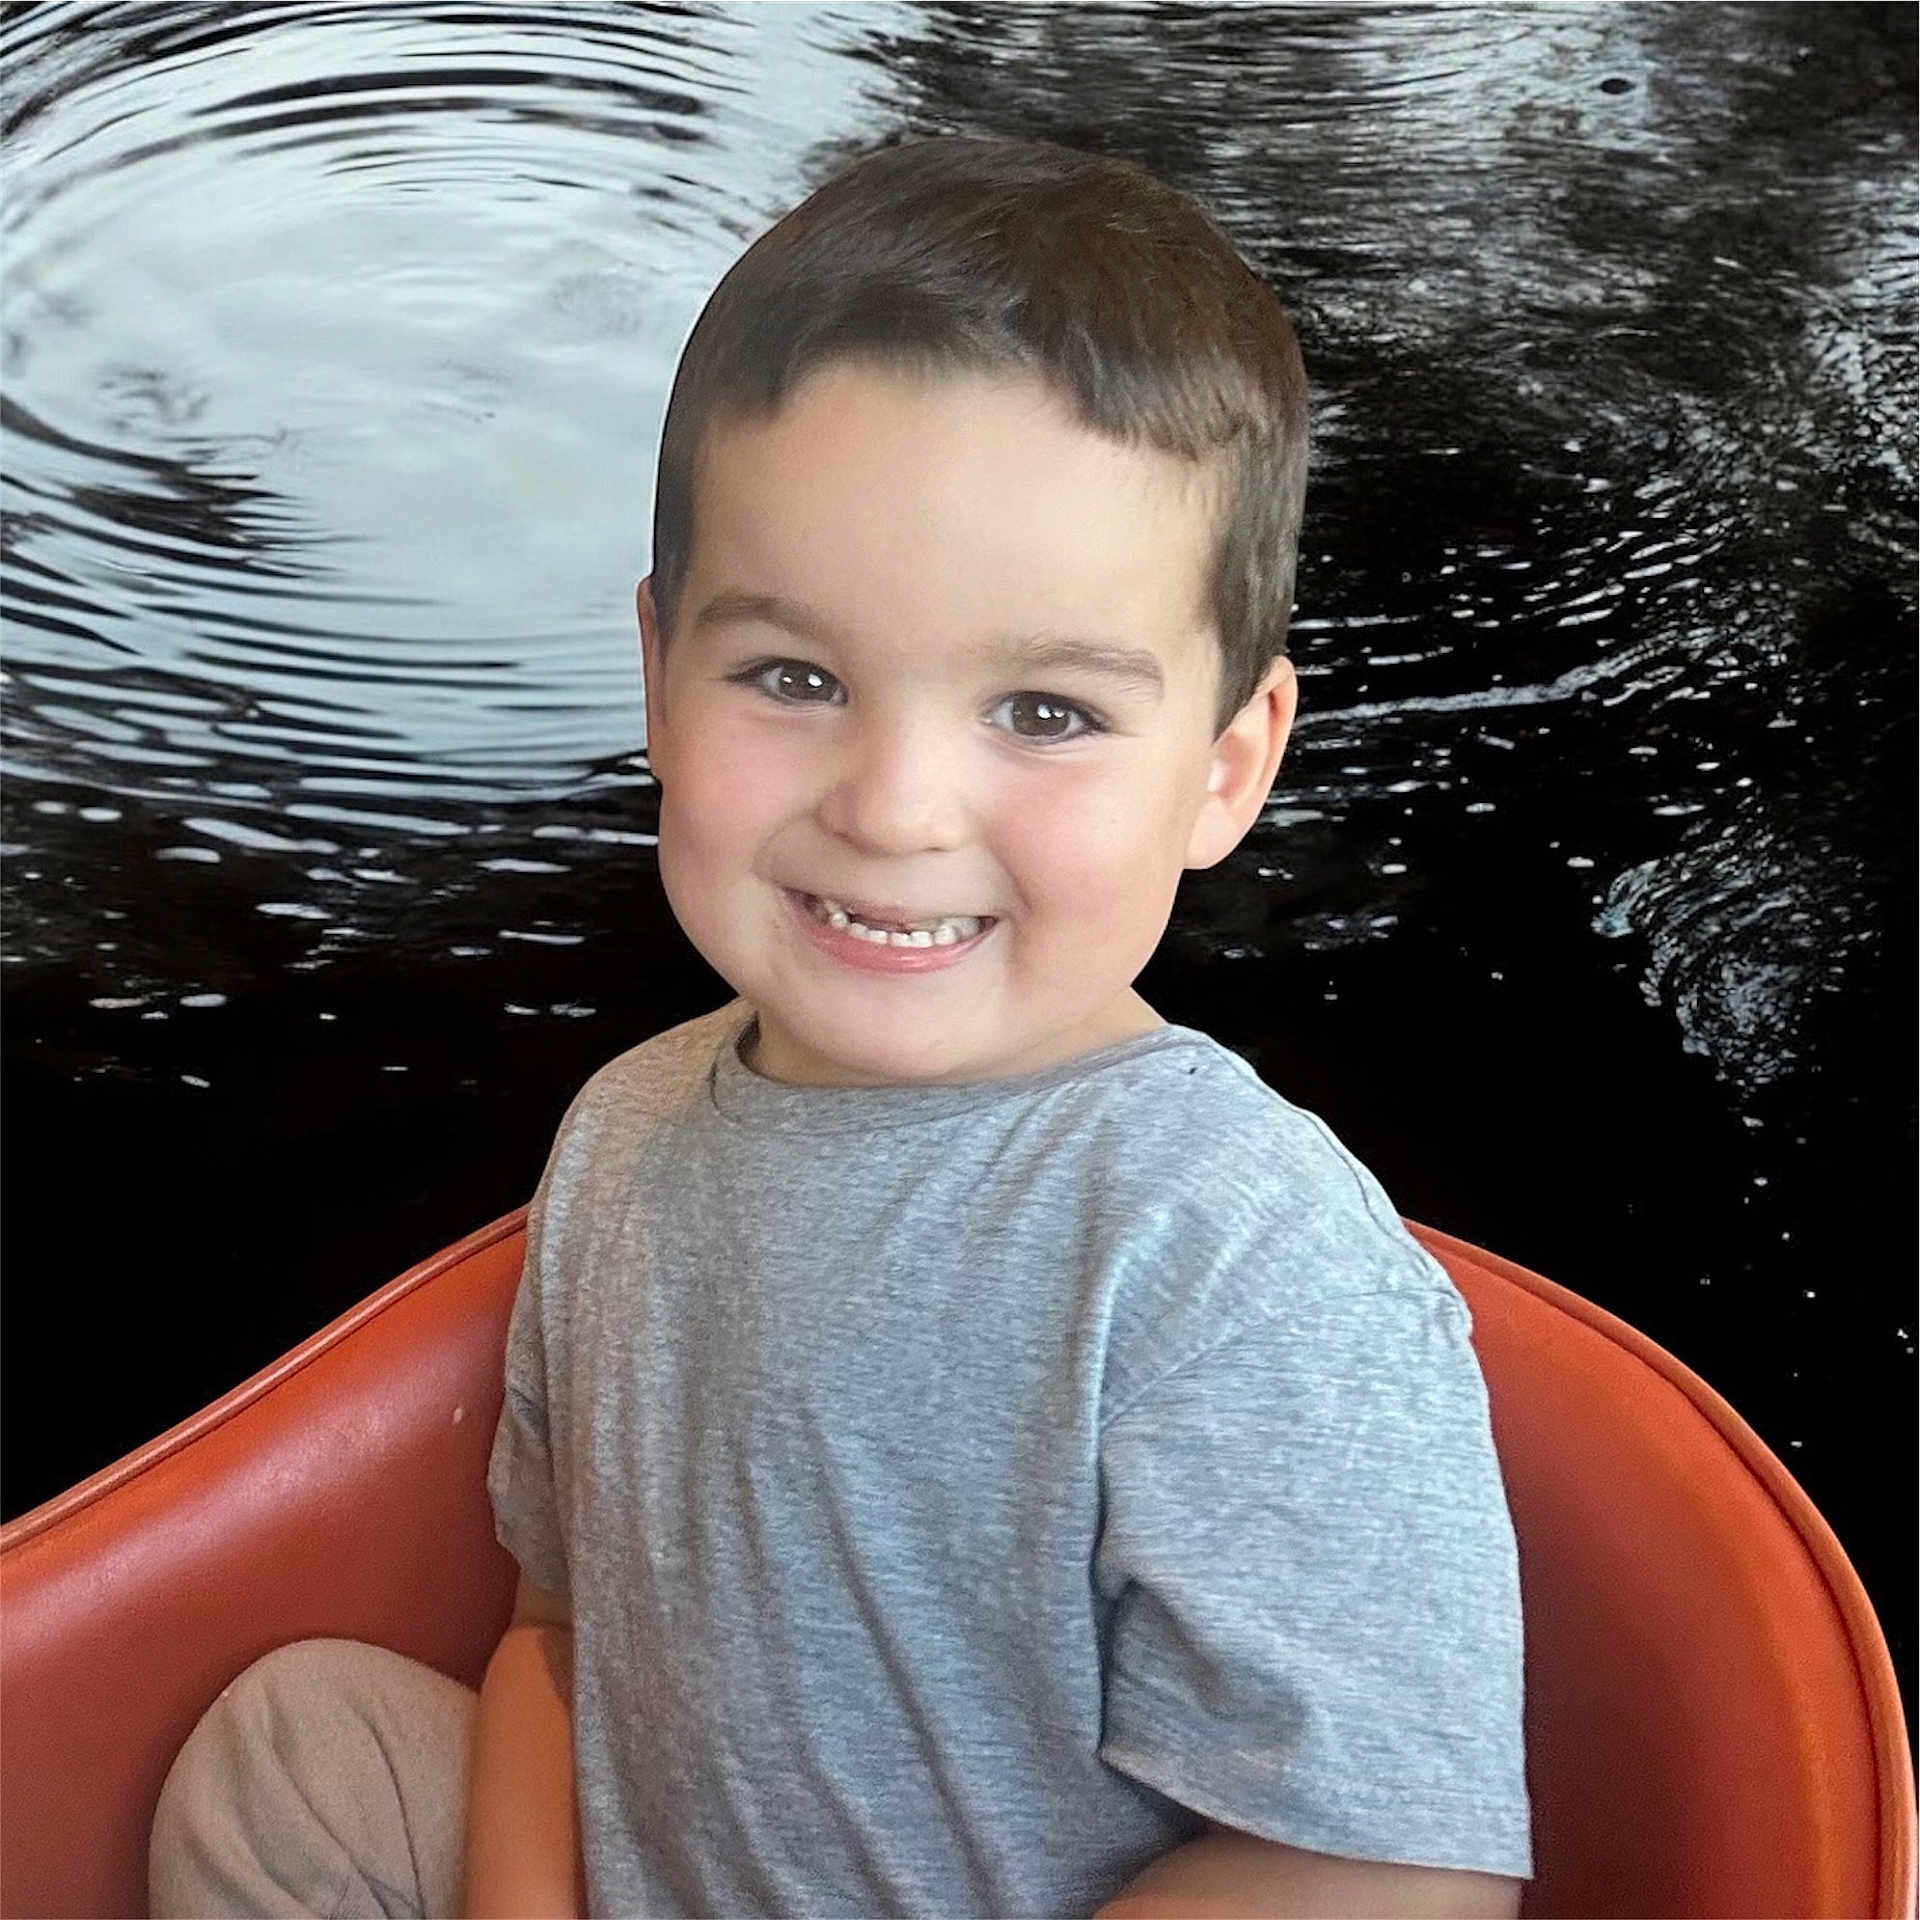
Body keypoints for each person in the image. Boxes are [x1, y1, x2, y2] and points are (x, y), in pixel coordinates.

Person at [150, 133, 1532, 1918]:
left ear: (1228, 765)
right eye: (794, 678)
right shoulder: (628, 1135)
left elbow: (1386, 1877)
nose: (894, 808)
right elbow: (561, 1646)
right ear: (657, 679)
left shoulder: (1227, 1248)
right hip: (655, 1858)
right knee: (295, 1756)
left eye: (1043, 708)